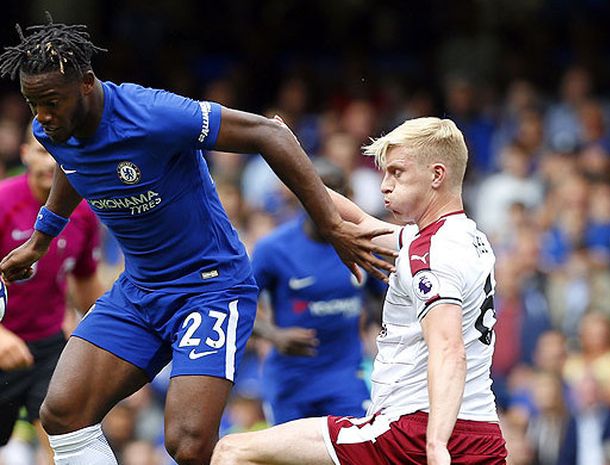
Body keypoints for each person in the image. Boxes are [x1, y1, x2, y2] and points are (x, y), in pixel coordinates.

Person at [0, 15, 394, 465]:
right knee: (62, 413)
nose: (42, 117)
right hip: (140, 291)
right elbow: (75, 166)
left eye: (51, 102)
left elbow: (270, 133)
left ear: (87, 84)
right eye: (33, 104)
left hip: (210, 289)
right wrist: (41, 238)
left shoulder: (152, 114)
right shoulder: (52, 130)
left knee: (187, 444)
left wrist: (331, 225)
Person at [212, 117, 508, 465]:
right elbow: (360, 222)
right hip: (482, 434)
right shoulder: (468, 238)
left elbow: (448, 350)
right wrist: (289, 155)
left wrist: (435, 444)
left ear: (437, 175)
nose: (385, 185)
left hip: (412, 431)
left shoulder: (427, 252)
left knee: (233, 452)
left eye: (397, 172)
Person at [252, 158, 385, 424]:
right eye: (320, 191)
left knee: (358, 448)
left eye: (337, 192)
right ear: (302, 194)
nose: (328, 201)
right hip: (292, 379)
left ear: (350, 197)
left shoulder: (360, 245)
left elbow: (386, 297)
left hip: (344, 376)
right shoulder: (274, 249)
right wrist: (274, 335)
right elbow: (235, 304)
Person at [0, 126, 103, 464]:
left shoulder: (84, 213)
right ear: (25, 154)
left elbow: (87, 283)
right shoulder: (3, 202)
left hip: (49, 345)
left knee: (62, 435)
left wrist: (103, 342)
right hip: (4, 341)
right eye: (43, 151)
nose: (51, 162)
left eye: (59, 155)